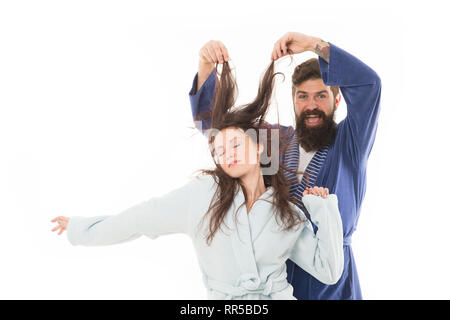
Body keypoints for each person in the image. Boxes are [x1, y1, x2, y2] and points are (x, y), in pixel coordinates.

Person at [51, 58, 344, 300]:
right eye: (218, 150)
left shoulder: (287, 212)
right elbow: (138, 219)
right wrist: (81, 228)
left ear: (258, 146)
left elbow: (328, 270)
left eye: (235, 145)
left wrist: (323, 209)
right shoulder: (203, 196)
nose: (226, 154)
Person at [188, 32, 381, 300]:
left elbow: (370, 85)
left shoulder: (350, 142)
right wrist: (206, 64)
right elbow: (217, 129)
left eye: (321, 96)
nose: (311, 105)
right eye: (303, 96)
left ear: (337, 100)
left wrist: (314, 45)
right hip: (278, 275)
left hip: (332, 277)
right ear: (293, 99)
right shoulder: (273, 142)